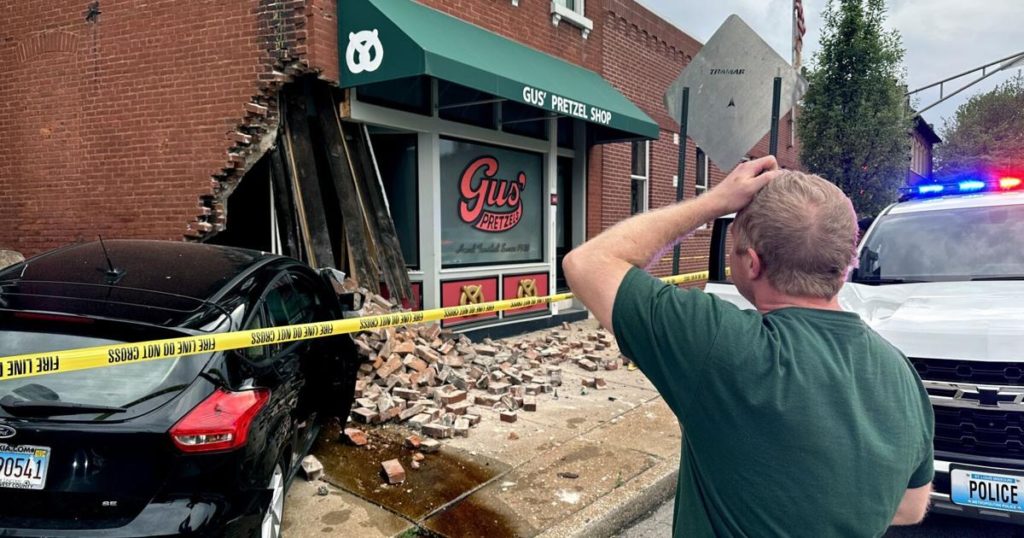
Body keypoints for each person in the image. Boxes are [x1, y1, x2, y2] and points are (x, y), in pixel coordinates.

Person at [563, 156, 934, 537]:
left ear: (753, 264)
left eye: (734, 247)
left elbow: (588, 263)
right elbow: (910, 506)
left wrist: (716, 202)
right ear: (844, 265)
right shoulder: (901, 374)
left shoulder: (724, 346)